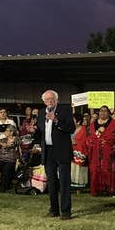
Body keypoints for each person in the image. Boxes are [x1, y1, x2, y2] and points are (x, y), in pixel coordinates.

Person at [35, 90, 75, 220]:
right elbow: (41, 132)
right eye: (47, 99)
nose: (49, 101)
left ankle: (66, 211)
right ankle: (54, 209)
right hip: (48, 151)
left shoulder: (65, 110)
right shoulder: (41, 113)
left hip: (62, 150)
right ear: (44, 101)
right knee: (51, 182)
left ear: (56, 100)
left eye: (52, 99)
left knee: (64, 181)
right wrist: (34, 131)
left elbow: (71, 128)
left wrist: (56, 120)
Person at [87, 105, 115, 196]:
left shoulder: (113, 123)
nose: (103, 112)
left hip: (108, 151)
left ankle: (108, 189)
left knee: (107, 169)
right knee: (95, 169)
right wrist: (95, 141)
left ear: (109, 113)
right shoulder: (93, 123)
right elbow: (90, 135)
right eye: (101, 111)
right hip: (95, 151)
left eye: (105, 111)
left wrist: (104, 141)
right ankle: (97, 189)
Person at [71, 113, 88, 189]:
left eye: (73, 120)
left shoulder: (84, 130)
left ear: (78, 122)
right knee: (72, 168)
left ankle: (79, 186)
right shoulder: (70, 129)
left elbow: (85, 141)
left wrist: (76, 142)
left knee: (78, 169)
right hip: (71, 152)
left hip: (80, 152)